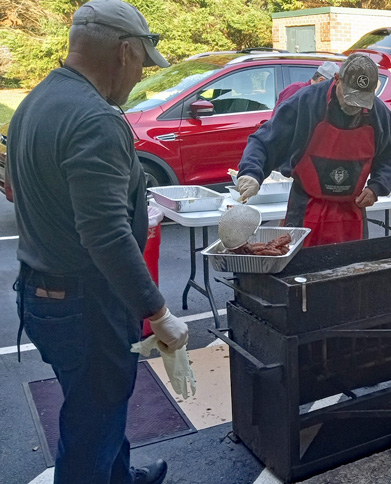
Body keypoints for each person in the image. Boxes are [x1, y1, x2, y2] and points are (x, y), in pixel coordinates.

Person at [7, 1, 188, 483]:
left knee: (96, 406)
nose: (139, 76)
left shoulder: (37, 100)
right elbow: (104, 234)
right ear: (125, 51)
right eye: (142, 63)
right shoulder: (96, 119)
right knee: (91, 427)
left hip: (41, 295)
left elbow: (28, 189)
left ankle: (122, 478)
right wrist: (158, 313)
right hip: (85, 304)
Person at [236, 53, 391, 247]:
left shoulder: (380, 114)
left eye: (360, 101)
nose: (354, 106)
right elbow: (264, 141)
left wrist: (376, 187)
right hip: (305, 208)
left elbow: (388, 157)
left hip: (352, 211)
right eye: (349, 98)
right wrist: (252, 173)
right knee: (300, 271)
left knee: (351, 269)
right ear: (337, 79)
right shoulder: (305, 102)